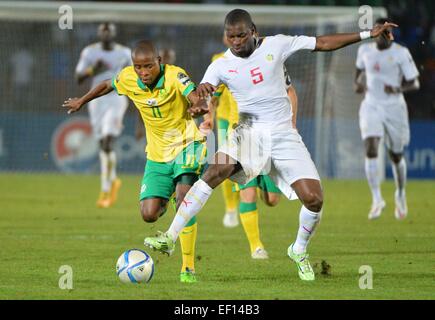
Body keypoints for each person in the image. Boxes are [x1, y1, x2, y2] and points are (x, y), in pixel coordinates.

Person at [145, 9, 397, 281]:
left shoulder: (277, 44)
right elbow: (203, 95)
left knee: (314, 200)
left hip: (283, 135)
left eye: (241, 35)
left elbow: (322, 43)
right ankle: (170, 237)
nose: (236, 41)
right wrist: (199, 103)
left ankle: (298, 249)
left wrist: (366, 34)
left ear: (253, 30)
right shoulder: (220, 65)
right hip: (249, 133)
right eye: (231, 37)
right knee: (213, 172)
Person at [64, 40, 209, 283]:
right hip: (156, 154)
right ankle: (173, 195)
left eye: (149, 66)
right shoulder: (128, 77)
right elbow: (105, 85)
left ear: (159, 62)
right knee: (149, 214)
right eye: (139, 67)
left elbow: (194, 96)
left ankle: (187, 268)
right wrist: (82, 100)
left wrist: (198, 106)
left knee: (185, 200)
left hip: (187, 144)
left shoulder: (175, 75)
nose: (143, 72)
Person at [354, 18, 420, 220]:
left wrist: (397, 88)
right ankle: (377, 199)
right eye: (384, 33)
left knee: (396, 156)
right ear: (376, 34)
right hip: (371, 105)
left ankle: (400, 193)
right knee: (371, 148)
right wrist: (357, 84)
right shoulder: (365, 51)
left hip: (394, 109)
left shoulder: (400, 53)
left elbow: (414, 83)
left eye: (389, 33)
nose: (388, 36)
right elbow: (358, 74)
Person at [75, 23, 131, 208]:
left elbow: (135, 75)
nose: (106, 34)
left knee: (108, 141)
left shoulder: (124, 53)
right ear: (99, 34)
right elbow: (78, 78)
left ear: (114, 33)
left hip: (116, 97)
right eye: (103, 31)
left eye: (109, 31)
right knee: (101, 144)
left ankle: (106, 189)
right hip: (97, 98)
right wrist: (92, 70)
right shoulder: (90, 52)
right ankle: (112, 181)